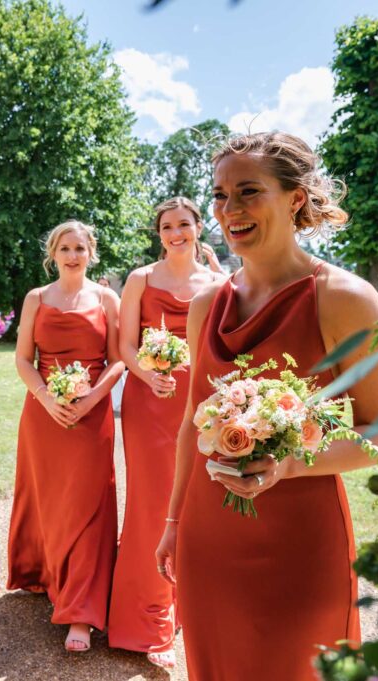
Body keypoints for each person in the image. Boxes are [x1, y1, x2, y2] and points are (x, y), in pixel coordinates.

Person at [154, 132, 378, 681]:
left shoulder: (346, 299)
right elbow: (188, 429)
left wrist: (289, 462)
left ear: (294, 198)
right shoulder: (203, 307)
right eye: (220, 195)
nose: (230, 210)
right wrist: (174, 522)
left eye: (248, 191)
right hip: (209, 533)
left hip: (301, 542)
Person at [108, 197, 224, 669]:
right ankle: (148, 623)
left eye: (183, 224)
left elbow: (222, 347)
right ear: (158, 233)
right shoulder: (140, 279)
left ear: (198, 228)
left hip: (200, 403)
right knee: (153, 505)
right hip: (149, 402)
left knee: (199, 503)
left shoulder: (219, 283)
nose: (175, 233)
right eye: (166, 226)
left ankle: (189, 608)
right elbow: (125, 344)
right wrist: (146, 373)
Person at [7, 221, 124, 653]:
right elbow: (23, 359)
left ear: (91, 253)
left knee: (88, 504)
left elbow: (117, 361)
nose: (72, 255)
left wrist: (93, 399)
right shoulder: (36, 299)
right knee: (50, 499)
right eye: (64, 248)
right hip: (44, 416)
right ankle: (50, 575)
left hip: (91, 417)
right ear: (52, 253)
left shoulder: (107, 298)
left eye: (79, 248)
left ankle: (81, 611)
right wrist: (45, 397)